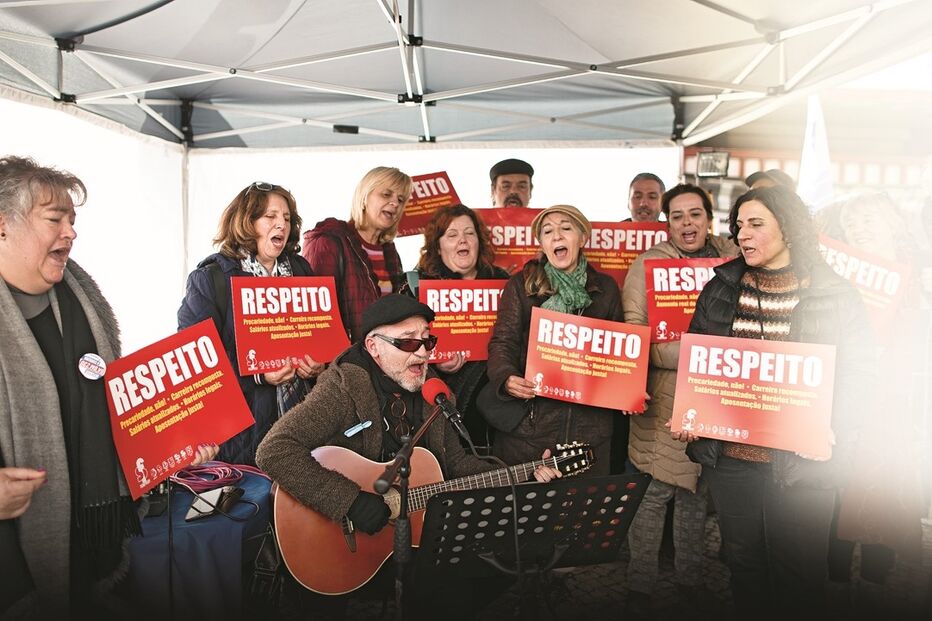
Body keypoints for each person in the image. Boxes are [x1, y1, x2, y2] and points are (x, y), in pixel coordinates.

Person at [0, 156, 216, 618]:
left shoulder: (81, 302)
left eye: (73, 221)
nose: (71, 233)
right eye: (55, 219)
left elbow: (116, 414)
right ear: (3, 226)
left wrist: (173, 445)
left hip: (86, 552)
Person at [255, 294, 560, 619]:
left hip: (412, 535)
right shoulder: (342, 389)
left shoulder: (435, 393)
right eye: (407, 344)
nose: (422, 354)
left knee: (496, 563)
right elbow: (274, 450)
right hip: (335, 534)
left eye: (428, 342)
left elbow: (455, 466)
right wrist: (350, 502)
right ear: (374, 347)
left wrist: (524, 474)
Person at [680, 186, 875, 616]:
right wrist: (692, 412)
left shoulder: (835, 293)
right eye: (738, 226)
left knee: (801, 577)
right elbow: (699, 359)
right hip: (733, 463)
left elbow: (862, 374)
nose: (742, 235)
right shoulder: (720, 287)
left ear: (787, 227)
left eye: (755, 224)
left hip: (804, 466)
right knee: (745, 568)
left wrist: (835, 429)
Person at [622, 184, 737, 616]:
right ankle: (639, 586)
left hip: (715, 397)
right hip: (663, 401)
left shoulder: (733, 262)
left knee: (696, 494)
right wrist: (693, 352)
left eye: (695, 215)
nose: (687, 224)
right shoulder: (647, 264)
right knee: (653, 495)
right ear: (666, 222)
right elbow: (635, 336)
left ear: (709, 218)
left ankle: (691, 580)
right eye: (677, 216)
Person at [178, 181, 323, 467]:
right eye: (270, 216)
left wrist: (318, 365)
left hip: (304, 428)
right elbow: (195, 365)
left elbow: (319, 336)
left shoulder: (302, 270)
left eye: (286, 218)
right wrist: (257, 376)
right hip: (245, 438)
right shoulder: (211, 278)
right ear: (246, 222)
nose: (281, 224)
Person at [484, 204, 629, 475]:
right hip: (531, 429)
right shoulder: (521, 284)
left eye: (566, 228)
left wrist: (628, 388)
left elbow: (619, 351)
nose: (557, 236)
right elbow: (503, 342)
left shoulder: (606, 288)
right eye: (548, 231)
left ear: (582, 238)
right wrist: (506, 378)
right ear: (542, 243)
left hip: (590, 430)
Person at [413, 204, 510, 451]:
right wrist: (435, 362)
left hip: (498, 398)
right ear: (438, 245)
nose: (462, 241)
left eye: (469, 233)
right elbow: (406, 347)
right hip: (446, 398)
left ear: (479, 240)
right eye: (452, 235)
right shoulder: (419, 286)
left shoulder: (502, 282)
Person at [302, 166, 412, 341]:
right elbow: (315, 315)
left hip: (383, 360)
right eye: (386, 194)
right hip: (344, 361)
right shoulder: (329, 241)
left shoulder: (391, 254)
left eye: (401, 199)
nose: (395, 203)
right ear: (364, 197)